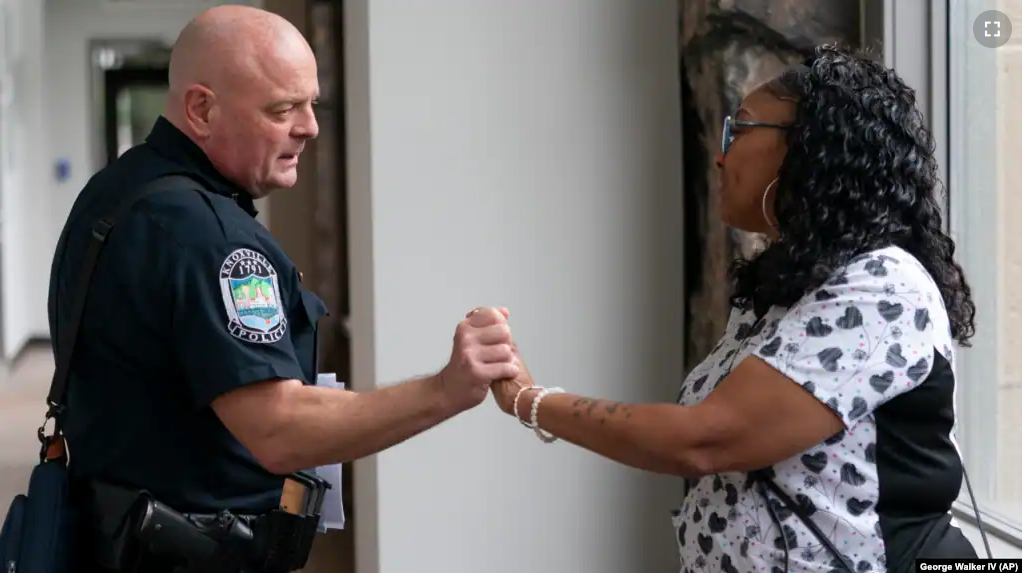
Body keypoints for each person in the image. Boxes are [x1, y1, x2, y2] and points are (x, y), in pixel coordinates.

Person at [46, 5, 519, 570]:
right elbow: (278, 429)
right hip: (183, 551)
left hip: (115, 533)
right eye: (282, 108)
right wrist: (447, 389)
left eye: (310, 103)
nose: (310, 126)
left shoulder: (116, 191)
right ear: (201, 109)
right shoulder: (205, 233)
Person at [494, 44, 980, 572]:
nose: (720, 154)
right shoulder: (792, 282)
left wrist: (530, 400)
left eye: (740, 130)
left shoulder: (881, 285)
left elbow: (705, 440)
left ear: (810, 149)